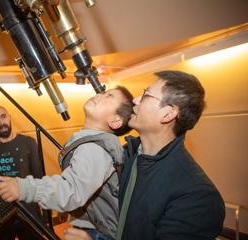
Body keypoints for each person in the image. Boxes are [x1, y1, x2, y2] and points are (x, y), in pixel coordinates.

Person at [64, 70, 225, 240]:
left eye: (145, 95)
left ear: (168, 114)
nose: (135, 100)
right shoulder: (124, 157)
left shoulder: (197, 197)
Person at [0, 86, 134, 240]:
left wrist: (25, 188)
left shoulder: (94, 149)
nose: (100, 94)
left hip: (99, 233)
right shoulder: (92, 142)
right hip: (93, 226)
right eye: (103, 92)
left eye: (109, 96)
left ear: (115, 122)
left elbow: (72, 190)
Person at [0, 105, 44, 240]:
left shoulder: (29, 142)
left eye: (3, 116)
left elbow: (39, 177)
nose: (1, 123)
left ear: (9, 117)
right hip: (2, 213)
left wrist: (44, 211)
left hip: (29, 209)